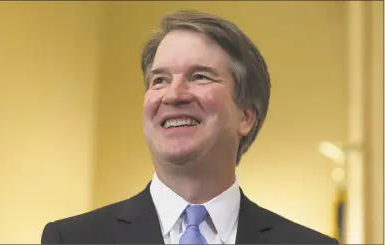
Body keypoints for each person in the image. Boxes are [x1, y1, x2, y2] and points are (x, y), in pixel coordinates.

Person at [41, 10, 338, 244]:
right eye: (160, 80)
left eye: (200, 77)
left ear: (246, 116)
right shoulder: (72, 239)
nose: (174, 95)